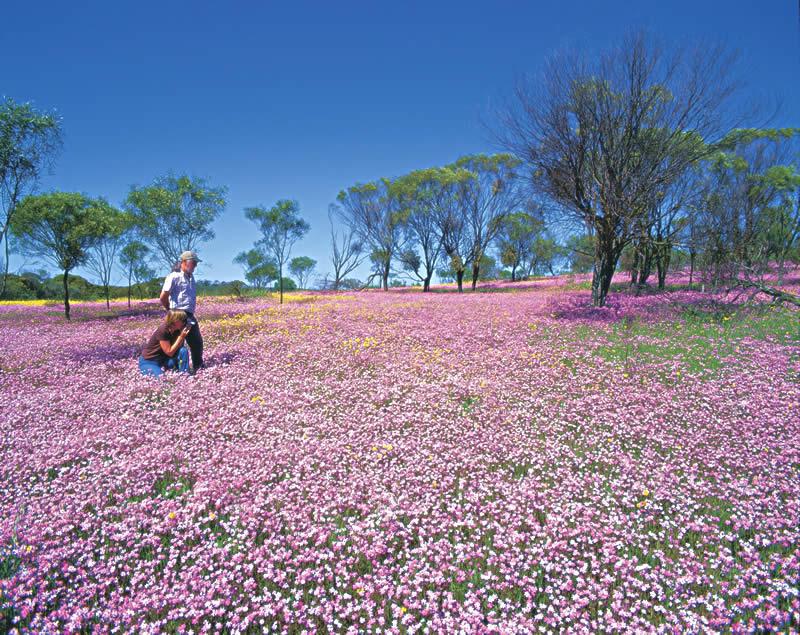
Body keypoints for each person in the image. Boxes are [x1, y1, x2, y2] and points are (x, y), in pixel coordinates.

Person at [160, 250, 204, 371]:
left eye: (196, 263)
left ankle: (198, 367)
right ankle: (177, 369)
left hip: (189, 315)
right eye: (193, 263)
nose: (195, 265)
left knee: (197, 342)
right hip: (177, 313)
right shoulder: (174, 276)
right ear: (184, 262)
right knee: (178, 343)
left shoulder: (191, 278)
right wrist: (170, 311)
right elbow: (163, 296)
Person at [138, 310, 191, 377]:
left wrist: (182, 333)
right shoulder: (163, 330)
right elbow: (170, 352)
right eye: (183, 320)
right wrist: (181, 337)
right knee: (161, 377)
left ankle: (184, 375)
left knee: (183, 350)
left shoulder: (177, 330)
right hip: (150, 361)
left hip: (165, 360)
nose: (185, 322)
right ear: (175, 320)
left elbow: (178, 348)